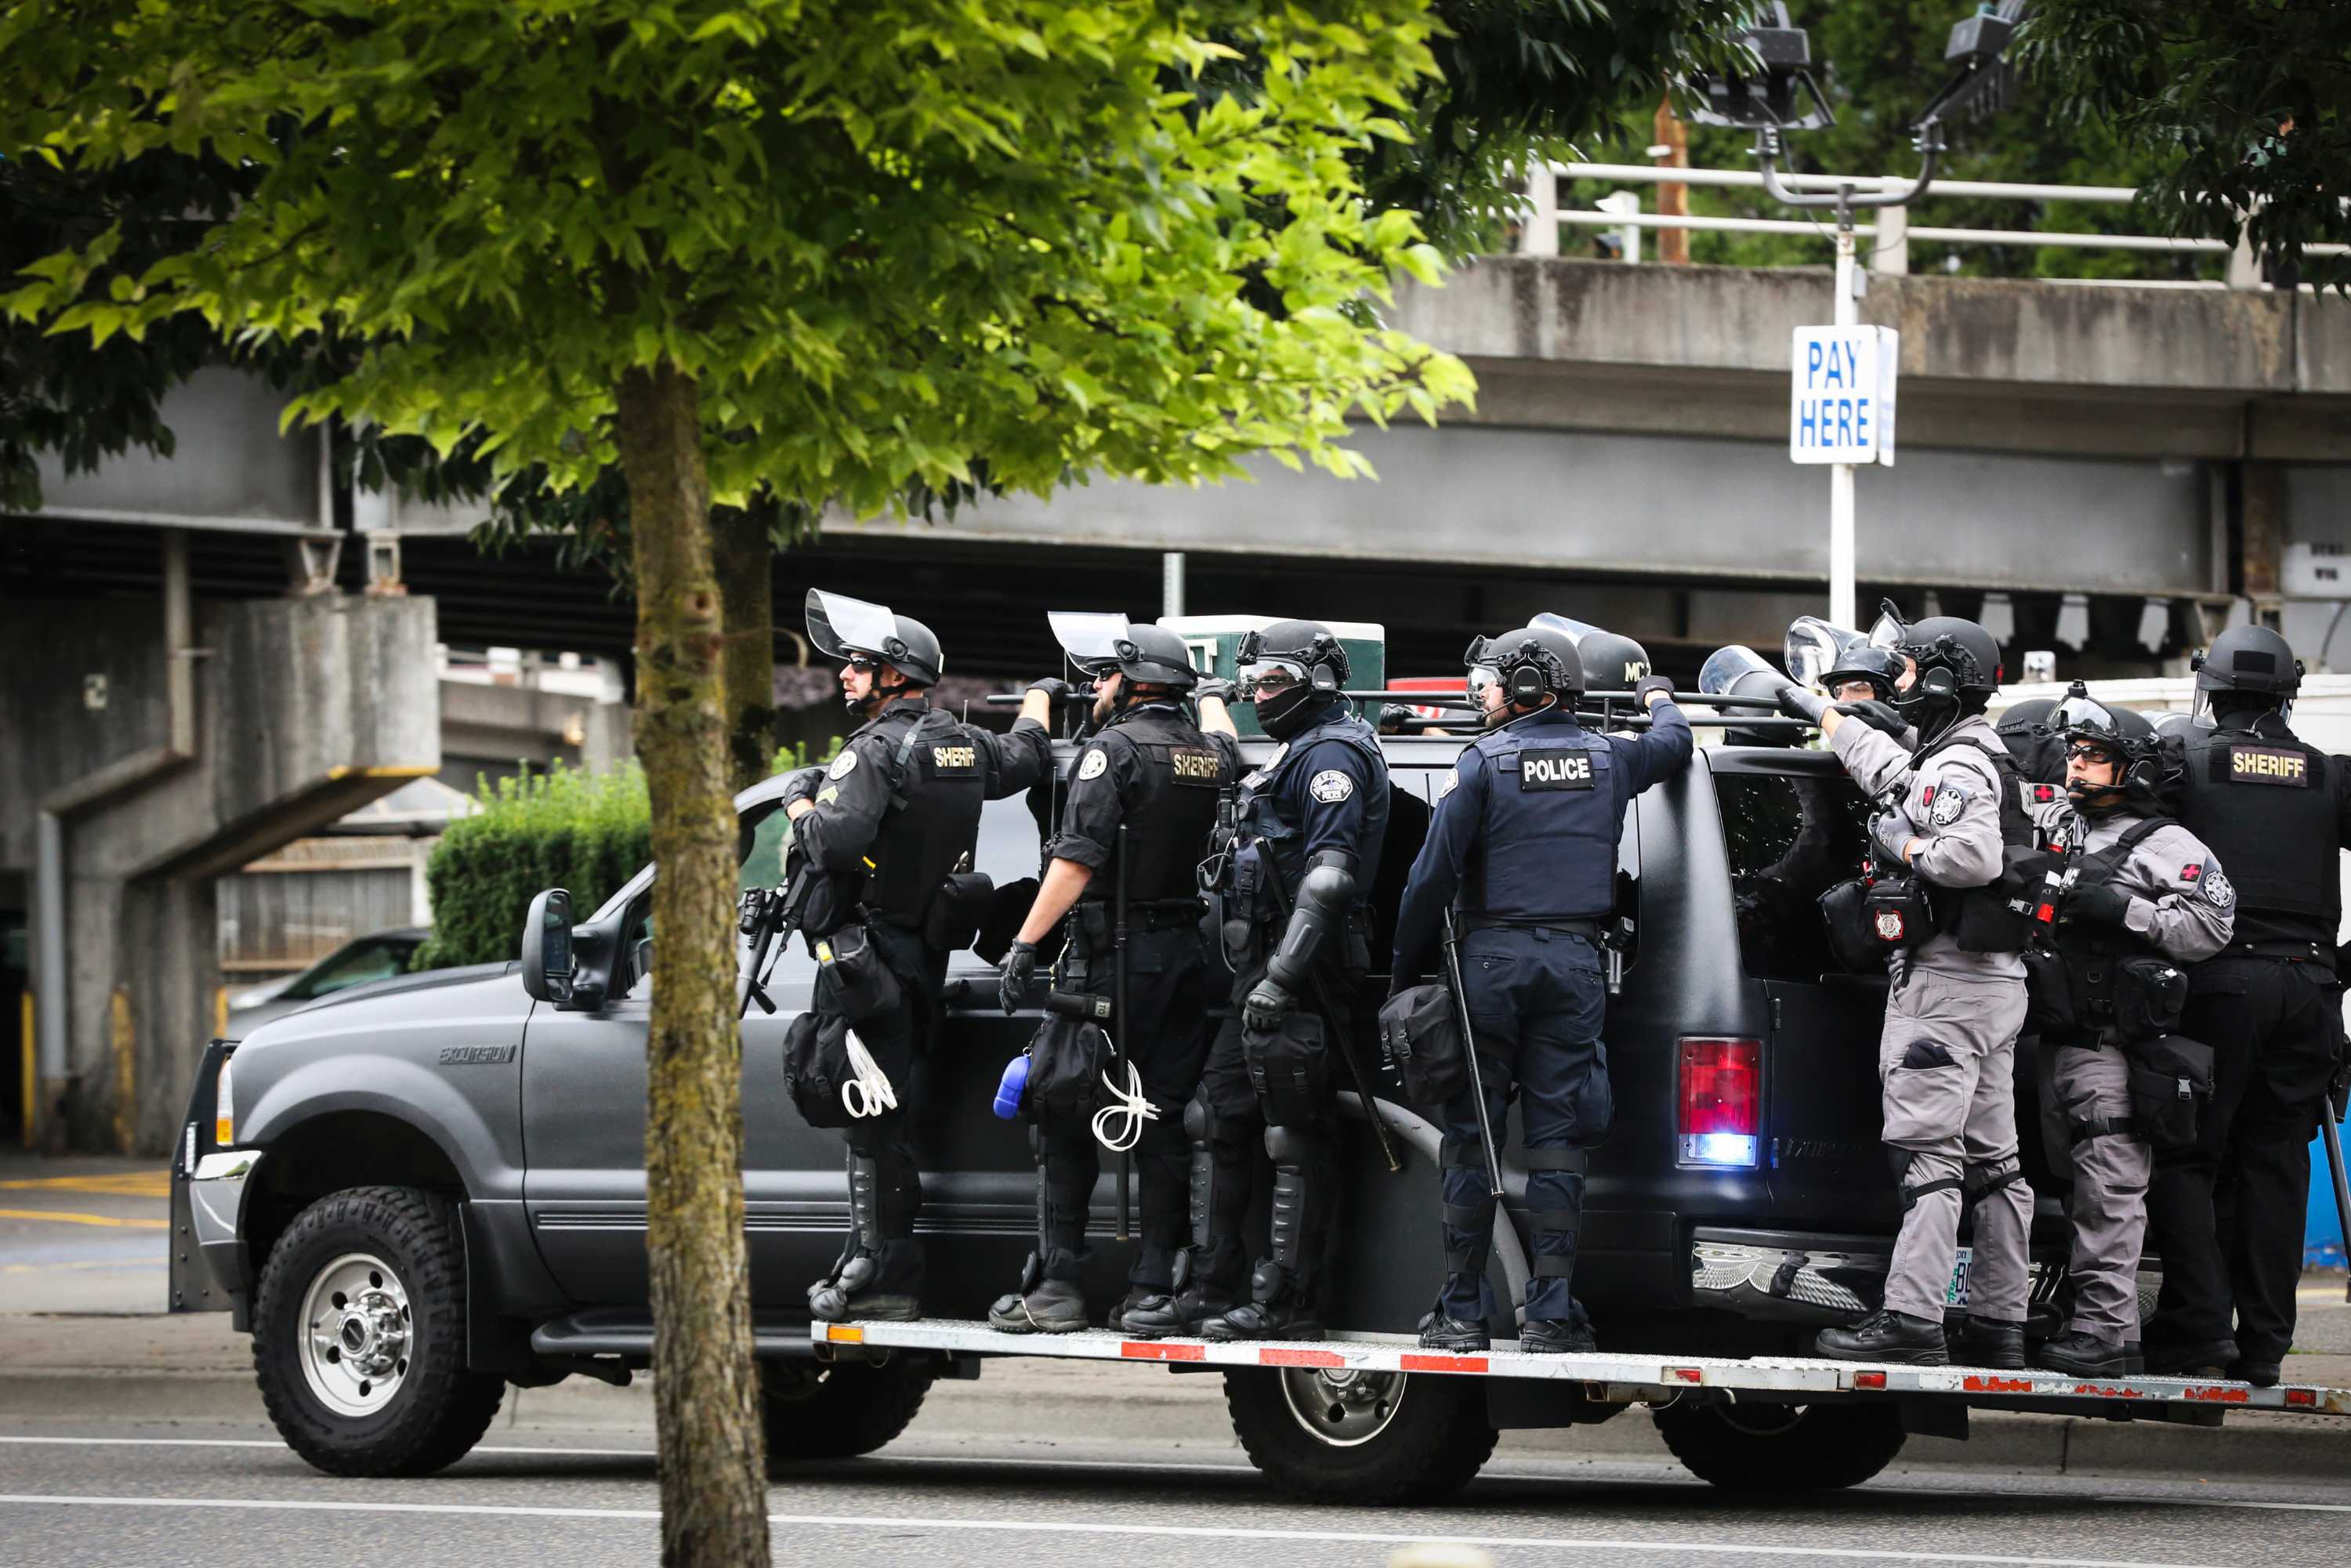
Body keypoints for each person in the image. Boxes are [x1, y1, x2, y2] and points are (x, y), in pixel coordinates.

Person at [1390, 626, 1688, 1352]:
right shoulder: (1611, 757)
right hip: (1576, 967)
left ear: (1529, 685)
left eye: (1490, 680)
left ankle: (1462, 1314)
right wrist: (1654, 692)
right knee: (1559, 1148)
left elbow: (1429, 879)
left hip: (1490, 965)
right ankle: (1550, 1316)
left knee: (1472, 1139)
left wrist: (1404, 969)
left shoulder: (1482, 764)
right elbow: (1674, 742)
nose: (1480, 693)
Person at [1121, 620, 1389, 1342]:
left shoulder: (1332, 753)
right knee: (1216, 1113)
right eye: (1257, 685)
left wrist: (1281, 977)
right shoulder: (1296, 752)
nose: (1261, 697)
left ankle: (1288, 1300)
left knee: (1293, 1136)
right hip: (1261, 971)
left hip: (1301, 976)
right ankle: (1210, 1285)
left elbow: (1330, 878)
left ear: (1318, 682)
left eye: (1275, 683)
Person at [789, 589, 1052, 1322]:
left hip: (862, 957)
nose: (844, 673)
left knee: (867, 1112)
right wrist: (1039, 697)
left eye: (860, 664)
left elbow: (834, 843)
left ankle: (881, 1269)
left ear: (896, 676)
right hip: (921, 957)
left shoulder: (874, 750)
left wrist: (799, 800)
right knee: (888, 1105)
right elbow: (1026, 756)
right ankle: (868, 1254)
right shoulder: (962, 744)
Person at [988, 621, 1239, 1334]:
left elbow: (1075, 861)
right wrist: (1214, 695)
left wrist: (1025, 943)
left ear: (1130, 683)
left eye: (1103, 678)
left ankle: (1060, 1284)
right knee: (1159, 1118)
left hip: (1106, 959)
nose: (1095, 689)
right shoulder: (1202, 753)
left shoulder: (1111, 751)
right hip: (1180, 960)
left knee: (1063, 1107)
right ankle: (1154, 1287)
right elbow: (1230, 747)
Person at [1806, 616, 2038, 1367]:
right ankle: (2001, 1323)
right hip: (1992, 984)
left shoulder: (1960, 763)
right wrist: (1830, 718)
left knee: (1928, 1160)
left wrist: (1900, 845)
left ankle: (1910, 1318)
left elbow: (1969, 854)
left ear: (1942, 677)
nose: (1898, 683)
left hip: (1946, 989)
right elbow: (1899, 775)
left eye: (1906, 671)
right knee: (1996, 1164)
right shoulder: (1981, 754)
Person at [2145, 625, 2351, 1385]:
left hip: (2220, 987)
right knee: (2276, 1166)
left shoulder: (2188, 763)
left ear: (2215, 689)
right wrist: (2340, 967)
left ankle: (2199, 1325)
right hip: (2310, 993)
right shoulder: (2330, 777)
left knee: (2188, 1156)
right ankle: (2265, 1345)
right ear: (2288, 692)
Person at [2025, 687, 2232, 1375]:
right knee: (2069, 1192)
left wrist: (2127, 910)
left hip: (2112, 1048)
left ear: (2134, 769)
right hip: (2053, 1045)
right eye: (2074, 754)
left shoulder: (2168, 845)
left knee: (2108, 1192)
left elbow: (2211, 927)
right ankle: (2078, 1320)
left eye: (2094, 757)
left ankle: (2107, 1334)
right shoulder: (2063, 824)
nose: (2076, 768)